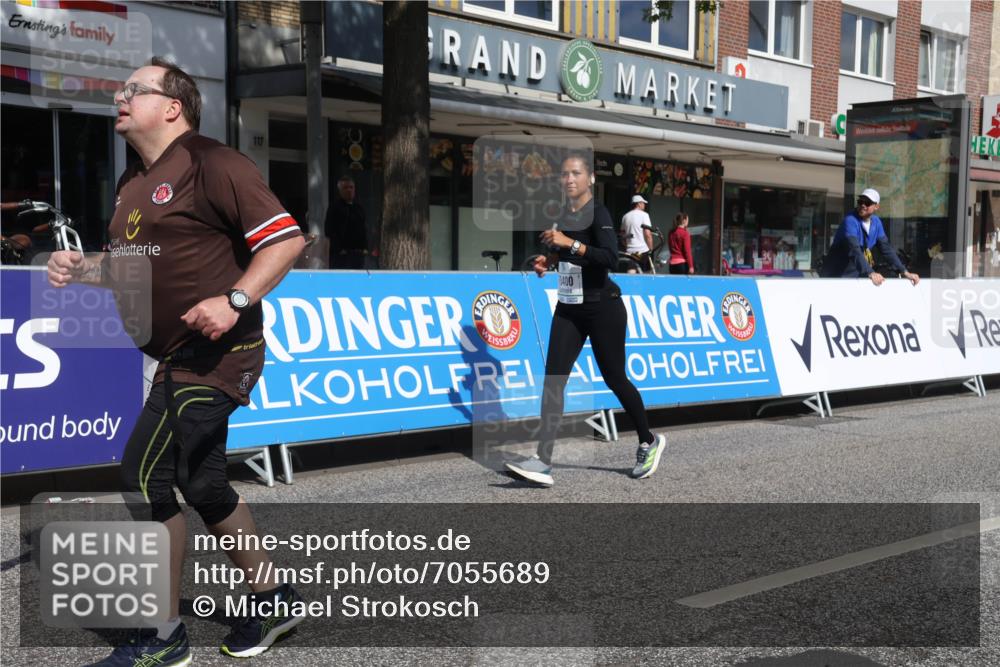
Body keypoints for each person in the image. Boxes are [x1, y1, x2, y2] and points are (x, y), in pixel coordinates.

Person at [47, 57, 306, 665]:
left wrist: (235, 298)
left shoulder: (213, 161)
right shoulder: (131, 183)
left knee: (144, 478)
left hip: (217, 354)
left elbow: (287, 238)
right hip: (169, 356)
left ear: (172, 106)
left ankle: (162, 638)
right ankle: (273, 600)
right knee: (204, 483)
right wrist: (79, 268)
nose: (120, 97)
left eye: (133, 90)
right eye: (120, 90)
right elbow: (128, 271)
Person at [504, 152, 666, 487]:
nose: (569, 180)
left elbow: (608, 257)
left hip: (603, 308)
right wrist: (547, 260)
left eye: (576, 173)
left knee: (615, 379)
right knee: (554, 381)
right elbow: (566, 253)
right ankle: (542, 460)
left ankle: (648, 440)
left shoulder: (599, 212)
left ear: (590, 178)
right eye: (564, 175)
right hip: (569, 307)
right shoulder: (566, 212)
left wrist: (570, 243)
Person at [820, 188, 919, 286]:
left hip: (855, 277)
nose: (863, 205)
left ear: (876, 206)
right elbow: (854, 250)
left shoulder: (876, 222)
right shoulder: (850, 220)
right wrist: (870, 272)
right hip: (834, 277)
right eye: (860, 201)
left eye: (867, 203)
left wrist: (904, 272)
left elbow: (887, 250)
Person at [325, 175, 369, 269]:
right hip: (341, 254)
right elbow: (329, 230)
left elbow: (363, 228)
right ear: (340, 190)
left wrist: (365, 247)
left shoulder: (359, 208)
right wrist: (339, 249)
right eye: (345, 188)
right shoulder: (335, 207)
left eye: (351, 187)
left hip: (358, 253)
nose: (349, 190)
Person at [619, 194, 654, 273]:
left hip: (630, 252)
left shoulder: (625, 216)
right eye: (643, 203)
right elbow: (648, 234)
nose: (644, 205)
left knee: (632, 271)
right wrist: (651, 249)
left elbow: (622, 235)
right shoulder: (644, 215)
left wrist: (627, 245)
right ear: (639, 203)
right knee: (647, 273)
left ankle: (630, 285)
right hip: (642, 250)